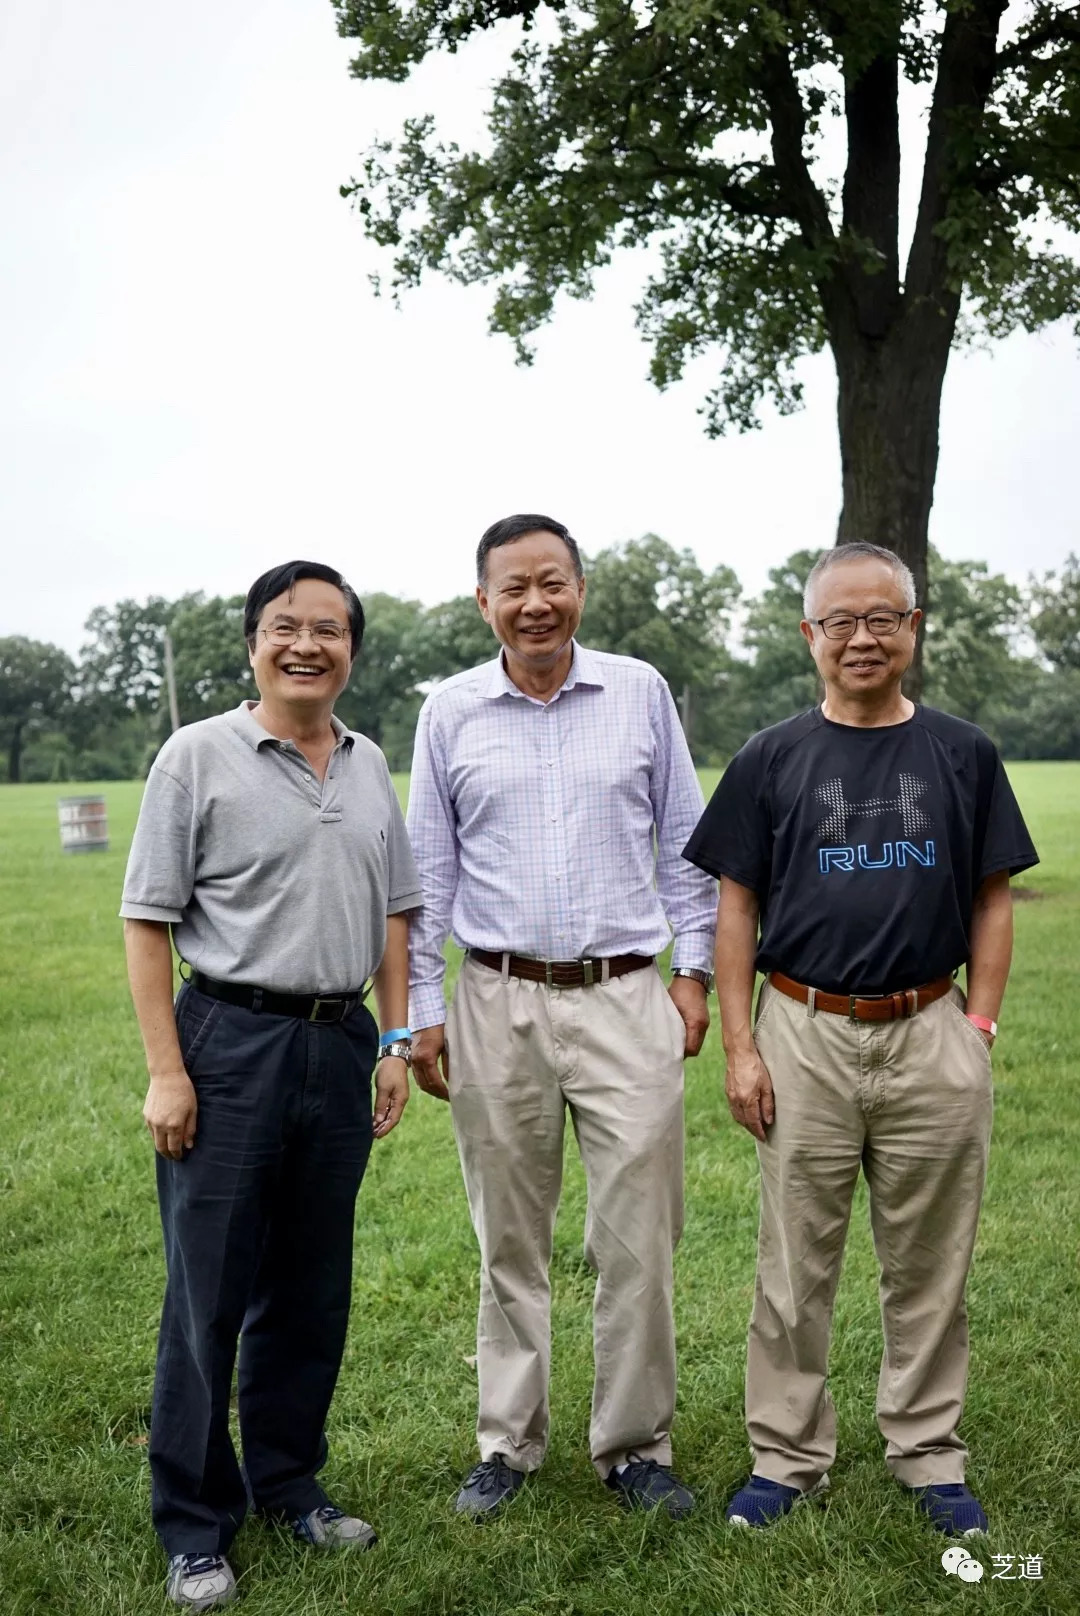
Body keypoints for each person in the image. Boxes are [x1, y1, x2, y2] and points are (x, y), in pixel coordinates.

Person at [683, 541, 1038, 1537]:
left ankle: (928, 1449)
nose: (862, 636)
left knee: (930, 1259)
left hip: (930, 1025)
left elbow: (992, 893)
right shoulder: (772, 755)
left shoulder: (963, 752)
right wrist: (744, 1045)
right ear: (810, 635)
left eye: (883, 616)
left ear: (913, 629)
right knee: (795, 1259)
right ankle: (787, 1455)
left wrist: (978, 1026)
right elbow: (735, 905)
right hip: (805, 1029)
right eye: (841, 620)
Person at [120, 561, 422, 1610]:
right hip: (228, 1037)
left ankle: (289, 1480)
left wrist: (395, 1037)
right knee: (208, 1293)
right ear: (252, 641)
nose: (308, 644)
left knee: (309, 1285)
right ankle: (196, 1524)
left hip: (338, 1041)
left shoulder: (371, 759)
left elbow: (396, 911)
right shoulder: (196, 755)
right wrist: (168, 1069)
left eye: (330, 629)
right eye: (286, 626)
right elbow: (147, 919)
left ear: (350, 649)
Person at [406, 514, 717, 1522]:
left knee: (637, 1237)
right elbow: (428, 871)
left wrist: (695, 970)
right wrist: (421, 1007)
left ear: (580, 588)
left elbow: (685, 841)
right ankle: (509, 1439)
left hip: (629, 994)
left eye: (553, 581)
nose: (535, 602)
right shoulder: (450, 710)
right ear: (484, 602)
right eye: (514, 587)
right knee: (509, 1234)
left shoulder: (638, 692)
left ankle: (634, 1446)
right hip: (495, 996)